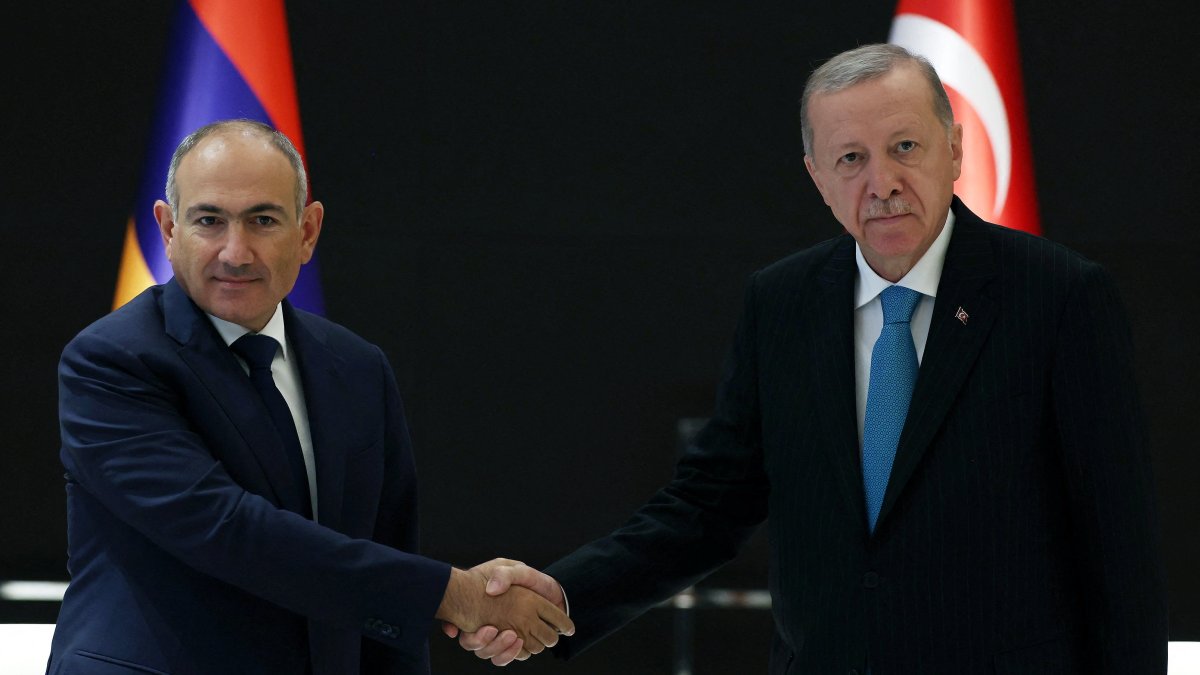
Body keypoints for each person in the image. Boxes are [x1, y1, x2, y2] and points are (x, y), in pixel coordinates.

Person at [451, 44, 1168, 673]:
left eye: (905, 147)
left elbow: (1119, 552)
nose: (881, 181)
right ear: (817, 177)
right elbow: (706, 507)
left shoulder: (1058, 297)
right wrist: (565, 593)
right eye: (851, 158)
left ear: (956, 149)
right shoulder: (783, 303)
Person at [48, 119, 572, 674]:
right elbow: (225, 529)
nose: (235, 251)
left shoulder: (357, 366)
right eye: (209, 220)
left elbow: (388, 549)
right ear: (168, 228)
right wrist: (451, 595)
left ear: (307, 231)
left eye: (263, 220)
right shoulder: (111, 360)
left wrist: (444, 601)